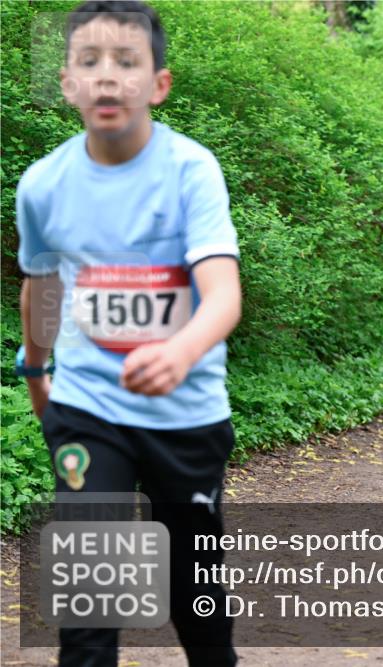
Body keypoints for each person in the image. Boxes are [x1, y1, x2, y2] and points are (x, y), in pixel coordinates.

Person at [15, 2, 241, 664]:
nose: (107, 78)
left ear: (157, 83)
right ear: (67, 83)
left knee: (191, 589)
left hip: (187, 414)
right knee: (90, 598)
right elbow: (44, 286)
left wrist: (181, 348)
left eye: (126, 61)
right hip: (90, 408)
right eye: (90, 61)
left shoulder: (191, 170)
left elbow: (223, 292)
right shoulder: (43, 186)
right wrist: (36, 371)